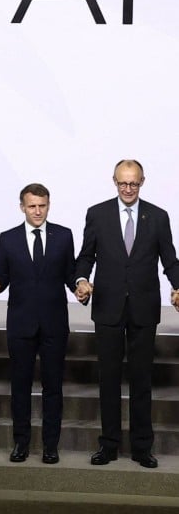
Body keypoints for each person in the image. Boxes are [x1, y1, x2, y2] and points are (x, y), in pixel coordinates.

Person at [75, 159, 179, 469]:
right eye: (123, 183)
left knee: (141, 380)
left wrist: (178, 286)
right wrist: (81, 281)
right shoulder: (98, 214)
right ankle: (108, 446)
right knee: (108, 380)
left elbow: (170, 260)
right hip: (107, 307)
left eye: (133, 183)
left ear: (143, 181)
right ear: (114, 181)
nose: (128, 188)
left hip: (143, 310)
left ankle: (141, 448)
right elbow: (85, 257)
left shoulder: (158, 217)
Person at [0, 183, 77, 465]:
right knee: (20, 387)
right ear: (22, 207)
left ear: (49, 205)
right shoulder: (8, 238)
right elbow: (1, 278)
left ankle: (50, 446)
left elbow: (70, 275)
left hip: (54, 323)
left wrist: (81, 286)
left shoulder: (63, 235)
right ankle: (21, 444)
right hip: (21, 324)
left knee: (53, 388)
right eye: (32, 206)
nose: (38, 211)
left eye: (42, 205)